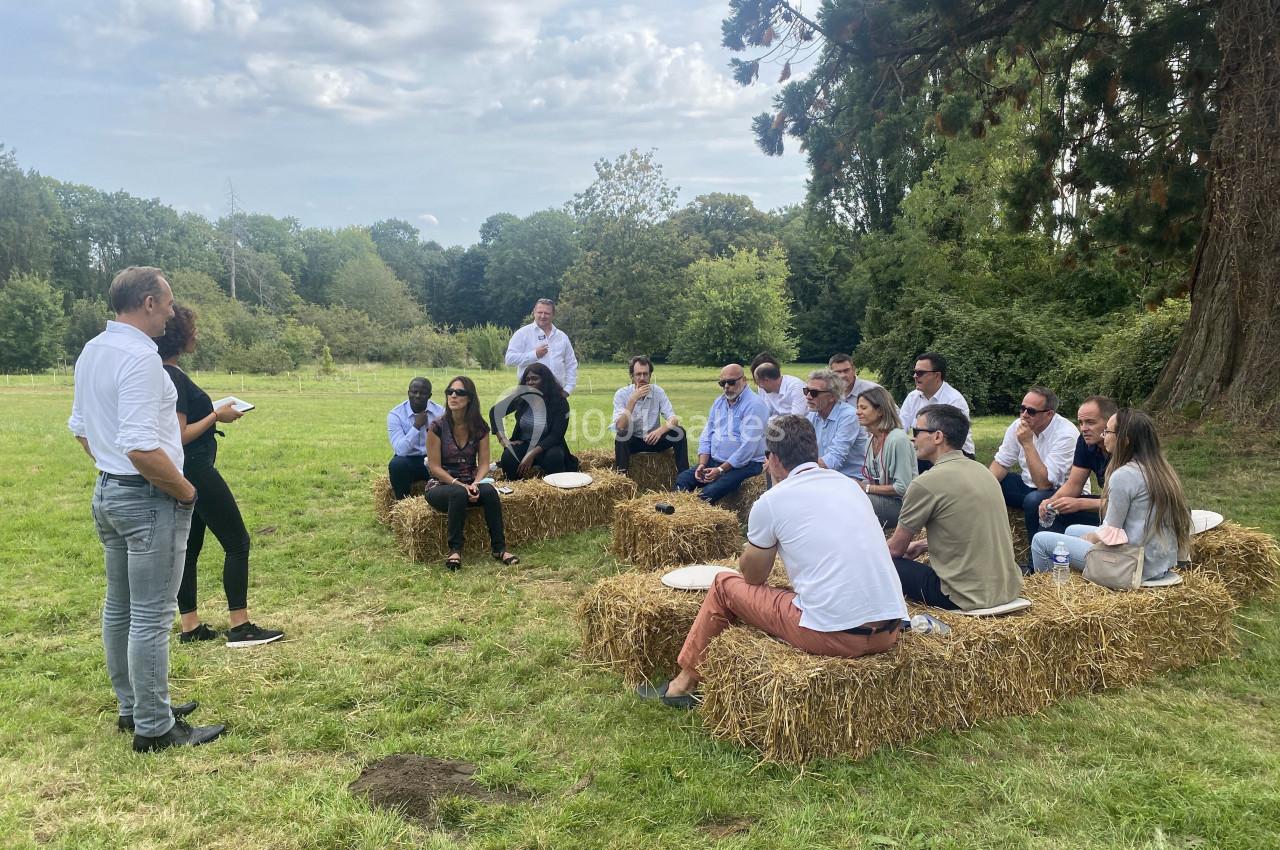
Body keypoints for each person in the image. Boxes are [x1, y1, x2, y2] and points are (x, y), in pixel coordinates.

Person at [637, 415, 907, 708]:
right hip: (889, 631)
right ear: (813, 451)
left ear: (774, 459)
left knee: (724, 584)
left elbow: (753, 578)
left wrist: (754, 545)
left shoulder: (772, 500)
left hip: (834, 635)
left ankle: (682, 685)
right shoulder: (850, 486)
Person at [67, 266, 225, 752]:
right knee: (153, 615)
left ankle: (134, 706)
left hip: (109, 493)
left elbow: (81, 430)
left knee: (120, 607)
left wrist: (112, 467)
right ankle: (155, 728)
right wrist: (184, 492)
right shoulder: (140, 360)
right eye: (169, 302)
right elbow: (141, 446)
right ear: (149, 302)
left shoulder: (94, 349)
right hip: (147, 497)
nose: (174, 311)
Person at [157, 306, 284, 649]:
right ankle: (240, 627)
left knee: (190, 549)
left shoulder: (162, 373)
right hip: (195, 469)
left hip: (182, 470)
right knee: (237, 542)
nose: (197, 334)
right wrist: (215, 414)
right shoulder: (173, 376)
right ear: (179, 337)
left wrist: (211, 410)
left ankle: (190, 626)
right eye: (193, 329)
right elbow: (179, 435)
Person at [886, 405, 1022, 610]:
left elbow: (895, 550)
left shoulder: (926, 483)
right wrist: (923, 545)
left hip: (961, 596)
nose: (913, 439)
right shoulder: (983, 472)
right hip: (1008, 589)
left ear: (938, 436)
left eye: (917, 432)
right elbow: (969, 529)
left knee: (881, 565)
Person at [1030, 409, 1191, 582]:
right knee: (1072, 530)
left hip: (1133, 564)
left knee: (1040, 541)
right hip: (1157, 559)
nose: (1103, 435)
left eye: (1107, 431)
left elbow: (1112, 531)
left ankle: (1050, 595)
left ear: (1125, 441)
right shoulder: (1160, 470)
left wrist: (1092, 537)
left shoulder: (1124, 475)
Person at [426, 376, 518, 570]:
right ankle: (455, 550)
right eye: (449, 392)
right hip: (441, 485)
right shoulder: (437, 427)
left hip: (470, 482)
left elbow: (484, 463)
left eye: (459, 393)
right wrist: (460, 485)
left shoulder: (480, 428)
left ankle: (499, 548)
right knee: (458, 493)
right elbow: (434, 467)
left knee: (490, 492)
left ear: (470, 398)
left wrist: (476, 483)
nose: (453, 396)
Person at [989, 386, 1081, 545]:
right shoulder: (1018, 425)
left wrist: (1027, 443)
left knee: (1034, 500)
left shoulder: (1066, 435)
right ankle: (993, 544)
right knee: (991, 485)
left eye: (1031, 411)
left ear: (1049, 414)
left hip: (1059, 492)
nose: (1024, 415)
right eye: (1022, 409)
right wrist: (982, 486)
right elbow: (1002, 463)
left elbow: (1044, 484)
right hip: (1027, 485)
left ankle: (1035, 559)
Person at [675, 364, 768, 504]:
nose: (726, 386)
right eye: (722, 383)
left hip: (746, 464)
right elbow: (707, 434)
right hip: (715, 460)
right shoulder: (719, 402)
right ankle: (676, 514)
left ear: (744, 380)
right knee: (683, 479)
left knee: (709, 492)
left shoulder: (755, 405)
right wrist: (702, 464)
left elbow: (748, 448)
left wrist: (720, 469)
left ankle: (693, 516)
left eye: (731, 382)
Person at [1034, 395, 1118, 533]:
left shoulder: (1127, 449)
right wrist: (1052, 501)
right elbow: (1074, 484)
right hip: (1108, 506)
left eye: (1090, 422)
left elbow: (1128, 505)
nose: (1084, 428)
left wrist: (1080, 504)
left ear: (1110, 423)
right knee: (1053, 511)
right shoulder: (1086, 442)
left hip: (1130, 517)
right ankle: (1042, 551)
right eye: (1081, 422)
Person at [491, 362, 579, 479]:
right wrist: (504, 441)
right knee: (508, 457)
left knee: (554, 457)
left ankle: (555, 489)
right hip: (524, 443)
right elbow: (495, 411)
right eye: (527, 380)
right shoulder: (521, 398)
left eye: (534, 379)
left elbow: (556, 435)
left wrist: (531, 454)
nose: (530, 382)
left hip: (548, 445)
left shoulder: (559, 402)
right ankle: (515, 489)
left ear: (545, 380)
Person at [611, 356, 689, 474]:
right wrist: (632, 400)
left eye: (645, 374)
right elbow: (620, 426)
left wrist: (660, 431)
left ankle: (684, 478)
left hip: (655, 440)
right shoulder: (622, 394)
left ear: (650, 375)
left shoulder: (658, 391)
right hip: (634, 441)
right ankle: (622, 480)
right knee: (622, 435)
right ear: (632, 376)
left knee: (679, 432)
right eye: (638, 374)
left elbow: (673, 419)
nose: (642, 378)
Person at [897, 351, 975, 465]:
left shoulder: (954, 400)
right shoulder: (912, 397)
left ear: (937, 375)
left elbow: (949, 442)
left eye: (920, 373)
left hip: (956, 456)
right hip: (924, 450)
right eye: (914, 372)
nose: (915, 376)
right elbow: (900, 428)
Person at [856, 385, 917, 528]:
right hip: (881, 499)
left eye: (863, 408)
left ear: (880, 411)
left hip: (902, 506)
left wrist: (866, 488)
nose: (858, 412)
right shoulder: (871, 440)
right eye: (858, 407)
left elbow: (903, 488)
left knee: (855, 501)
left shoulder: (897, 440)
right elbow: (869, 477)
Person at [503, 298, 578, 395]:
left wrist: (568, 389)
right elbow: (509, 360)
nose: (543, 316)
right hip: (530, 394)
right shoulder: (522, 334)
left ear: (553, 314)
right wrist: (534, 355)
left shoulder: (562, 337)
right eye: (540, 312)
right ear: (534, 312)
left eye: (547, 313)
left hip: (557, 394)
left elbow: (571, 364)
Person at [803, 369, 868, 480]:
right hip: (824, 476)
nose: (808, 396)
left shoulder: (849, 416)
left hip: (851, 479)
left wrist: (801, 469)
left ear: (832, 396)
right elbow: (802, 448)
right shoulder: (812, 415)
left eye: (814, 393)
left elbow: (835, 458)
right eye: (806, 391)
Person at [387, 377, 445, 500]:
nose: (417, 396)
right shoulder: (396, 414)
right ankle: (403, 505)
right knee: (396, 465)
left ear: (429, 395)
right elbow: (400, 451)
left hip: (434, 459)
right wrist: (416, 426)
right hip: (409, 460)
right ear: (408, 393)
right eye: (414, 392)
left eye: (423, 393)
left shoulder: (440, 412)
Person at [749, 353, 806, 419]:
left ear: (766, 380)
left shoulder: (796, 386)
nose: (759, 386)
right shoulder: (764, 388)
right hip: (776, 426)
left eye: (758, 382)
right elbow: (764, 414)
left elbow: (797, 419)